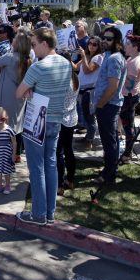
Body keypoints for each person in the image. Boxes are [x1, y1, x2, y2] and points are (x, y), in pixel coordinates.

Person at [15, 27, 73, 225]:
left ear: (44, 44)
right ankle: (49, 212)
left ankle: (39, 214)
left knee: (37, 168)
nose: (33, 49)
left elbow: (19, 93)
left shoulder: (38, 67)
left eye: (34, 45)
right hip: (55, 119)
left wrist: (29, 89)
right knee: (51, 165)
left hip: (37, 121)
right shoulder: (66, 64)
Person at [91, 26, 128, 185]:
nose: (105, 41)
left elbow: (113, 87)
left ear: (117, 41)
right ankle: (109, 169)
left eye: (109, 39)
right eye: (103, 38)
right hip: (106, 105)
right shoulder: (108, 55)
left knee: (109, 141)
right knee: (110, 140)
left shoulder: (114, 58)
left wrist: (100, 104)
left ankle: (109, 175)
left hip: (108, 106)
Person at [0, 31, 32, 163]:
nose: (12, 40)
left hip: (8, 94)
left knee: (6, 123)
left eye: (15, 39)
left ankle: (7, 154)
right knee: (17, 123)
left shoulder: (11, 56)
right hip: (19, 94)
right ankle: (17, 154)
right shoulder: (27, 58)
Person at [119, 35, 140, 164]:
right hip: (129, 96)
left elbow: (129, 84)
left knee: (128, 126)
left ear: (135, 47)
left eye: (128, 44)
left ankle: (127, 153)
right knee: (127, 124)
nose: (125, 46)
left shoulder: (135, 62)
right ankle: (127, 151)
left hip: (128, 97)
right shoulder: (133, 58)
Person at [75, 36, 104, 149]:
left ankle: (90, 140)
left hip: (90, 91)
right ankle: (88, 136)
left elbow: (87, 71)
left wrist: (83, 55)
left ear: (99, 46)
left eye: (94, 44)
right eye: (89, 43)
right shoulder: (87, 56)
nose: (91, 45)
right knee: (85, 115)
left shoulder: (98, 58)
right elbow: (76, 67)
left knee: (89, 116)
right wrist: (66, 56)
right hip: (82, 90)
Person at [56, 53, 79, 195]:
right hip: (71, 119)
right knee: (68, 150)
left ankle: (59, 184)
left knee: (59, 152)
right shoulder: (75, 78)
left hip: (61, 120)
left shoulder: (62, 81)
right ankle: (70, 180)